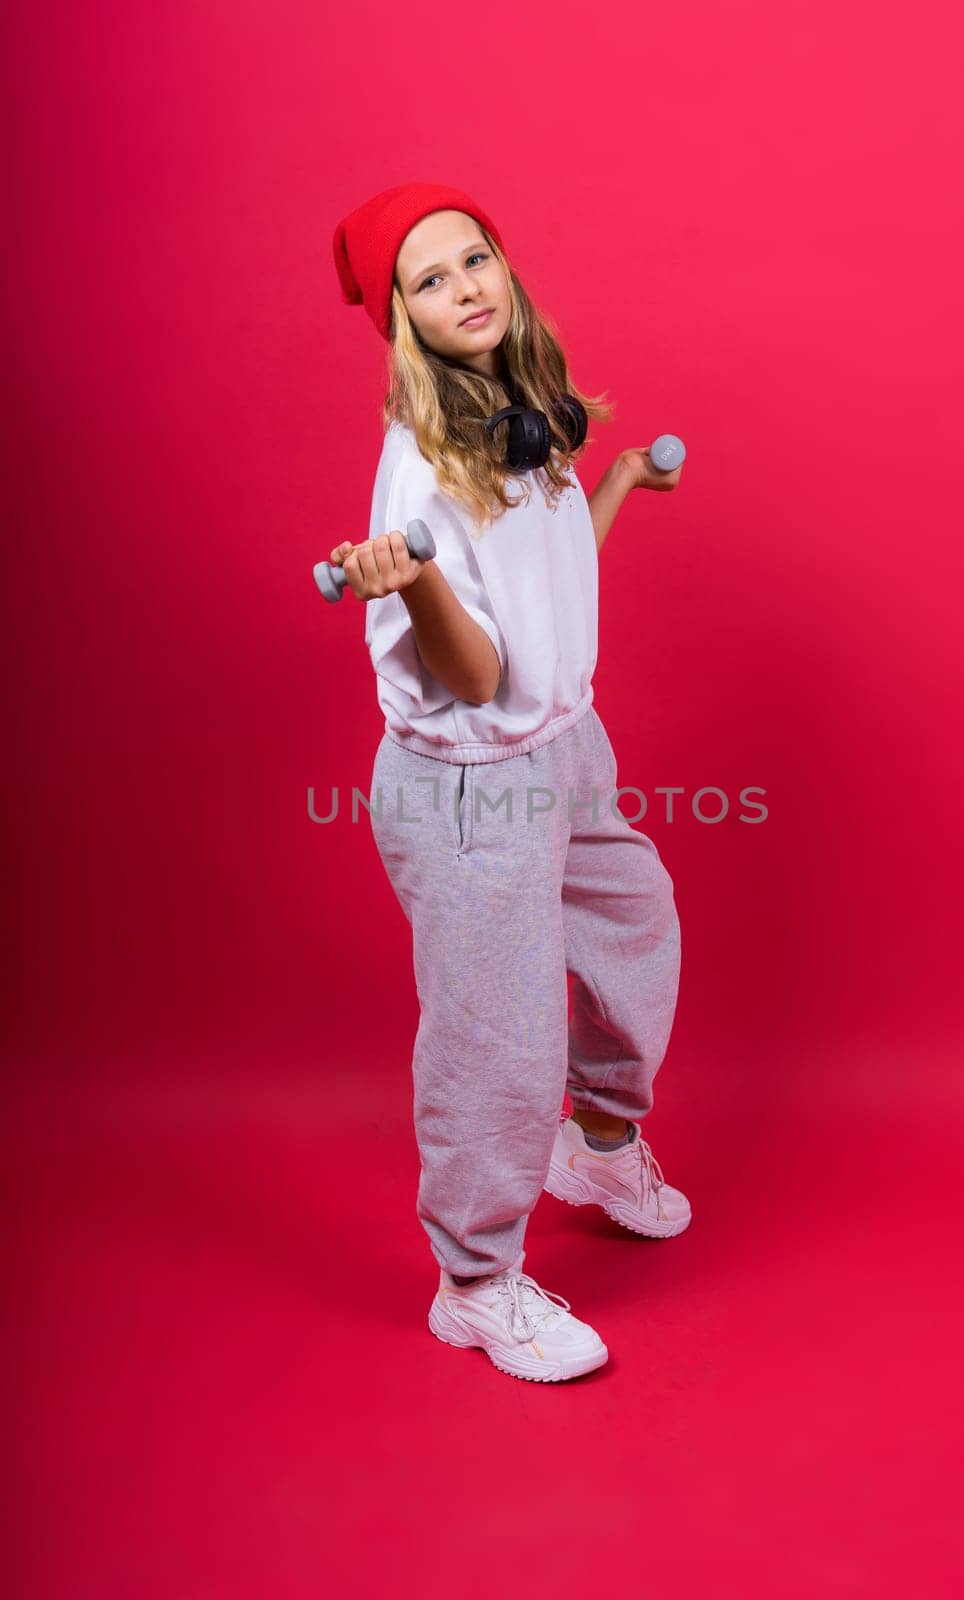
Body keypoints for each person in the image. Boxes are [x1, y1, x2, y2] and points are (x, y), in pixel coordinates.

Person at [330, 182, 690, 1383]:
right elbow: (474, 671)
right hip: (470, 786)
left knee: (634, 922)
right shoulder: (421, 469)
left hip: (560, 751)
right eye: (429, 280)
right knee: (498, 1038)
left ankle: (594, 1144)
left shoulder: (521, 414)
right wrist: (412, 581)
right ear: (402, 319)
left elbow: (549, 576)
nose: (464, 286)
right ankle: (475, 1283)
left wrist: (619, 484)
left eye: (473, 258)